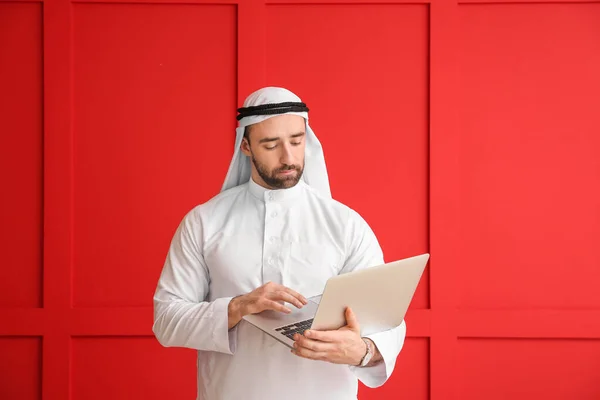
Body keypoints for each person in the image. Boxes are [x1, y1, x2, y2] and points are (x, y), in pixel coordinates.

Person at [152, 87, 407, 399]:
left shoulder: (346, 225)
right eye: (271, 145)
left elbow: (386, 318)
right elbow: (167, 320)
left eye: (296, 142)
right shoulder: (204, 222)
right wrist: (238, 307)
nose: (288, 157)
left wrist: (364, 351)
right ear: (245, 146)